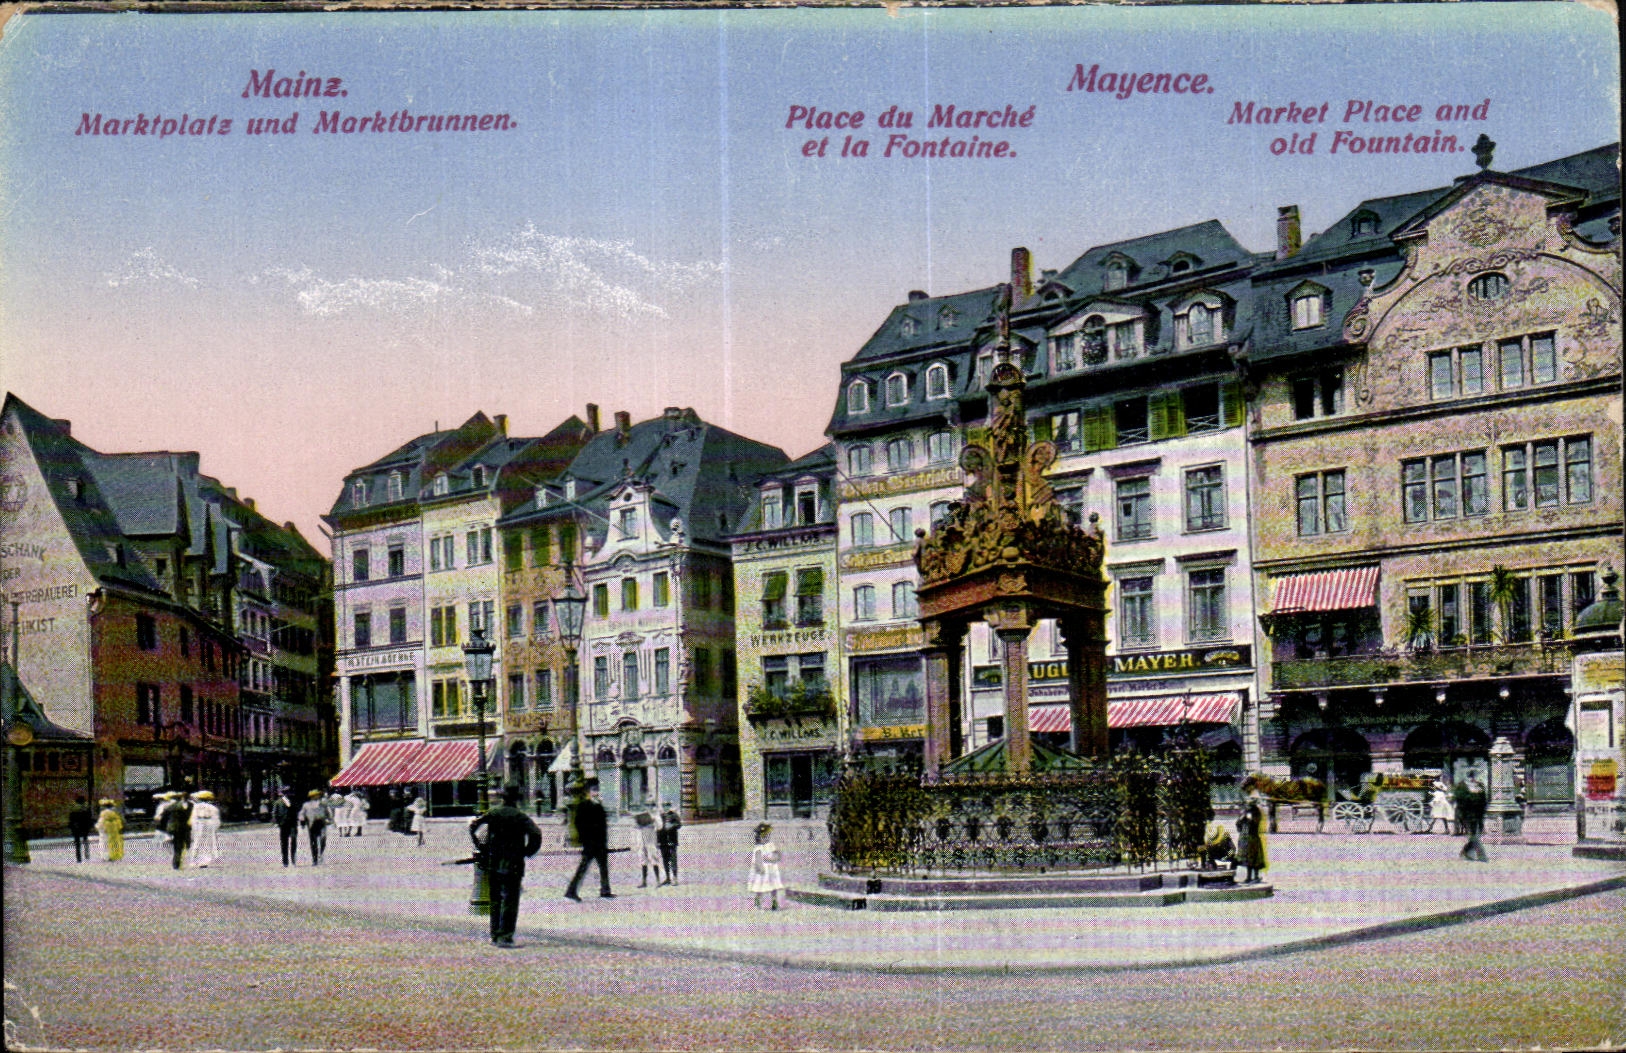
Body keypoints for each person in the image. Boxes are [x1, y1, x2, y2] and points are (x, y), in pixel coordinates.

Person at [469, 786, 544, 947]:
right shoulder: (520, 816)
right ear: (516, 799)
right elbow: (536, 834)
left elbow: (473, 826)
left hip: (494, 862)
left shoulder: (494, 813)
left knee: (495, 899)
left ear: (502, 797)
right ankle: (506, 936)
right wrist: (527, 851)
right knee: (510, 900)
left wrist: (482, 847)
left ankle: (495, 935)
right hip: (513, 863)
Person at [564, 778, 613, 901]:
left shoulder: (599, 805)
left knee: (604, 867)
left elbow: (603, 825)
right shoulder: (584, 805)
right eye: (594, 790)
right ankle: (571, 891)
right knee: (583, 867)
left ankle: (605, 890)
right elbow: (579, 824)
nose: (596, 792)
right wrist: (586, 840)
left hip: (601, 843)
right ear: (588, 792)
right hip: (590, 844)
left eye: (597, 790)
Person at [749, 822, 784, 910]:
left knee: (774, 886)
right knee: (761, 886)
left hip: (772, 869)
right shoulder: (758, 848)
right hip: (763, 870)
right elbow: (757, 860)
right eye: (764, 837)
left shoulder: (770, 845)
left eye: (768, 836)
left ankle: (775, 902)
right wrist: (760, 868)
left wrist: (777, 856)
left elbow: (778, 854)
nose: (766, 838)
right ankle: (758, 901)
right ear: (759, 837)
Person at [1456, 771, 1489, 862]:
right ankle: (1481, 855)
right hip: (1467, 814)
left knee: (1475, 834)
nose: (1472, 778)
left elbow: (1484, 800)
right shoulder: (1462, 786)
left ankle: (1464, 852)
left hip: (1478, 814)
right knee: (1473, 834)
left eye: (1473, 776)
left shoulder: (1480, 786)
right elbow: (1460, 801)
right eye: (1470, 776)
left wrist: (1483, 812)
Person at [1235, 794, 1267, 884]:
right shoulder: (1244, 813)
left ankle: (1256, 876)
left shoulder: (1256, 812)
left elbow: (1255, 823)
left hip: (1253, 838)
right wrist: (1241, 819)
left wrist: (1249, 819)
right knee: (1247, 859)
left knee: (1255, 858)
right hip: (1245, 839)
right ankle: (1248, 877)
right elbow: (1238, 826)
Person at [189, 790, 221, 867]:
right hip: (207, 823)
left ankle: (195, 860)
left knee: (198, 842)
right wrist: (215, 827)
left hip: (200, 823)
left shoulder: (196, 807)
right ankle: (204, 860)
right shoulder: (212, 807)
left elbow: (193, 817)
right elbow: (216, 818)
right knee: (206, 842)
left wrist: (193, 827)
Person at [299, 789, 331, 865]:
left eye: (318, 794)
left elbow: (328, 813)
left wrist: (329, 819)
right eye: (317, 794)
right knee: (313, 842)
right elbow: (301, 814)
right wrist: (302, 821)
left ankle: (321, 853)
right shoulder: (306, 805)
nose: (318, 796)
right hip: (312, 824)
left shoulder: (323, 804)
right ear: (312, 796)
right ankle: (315, 859)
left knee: (323, 838)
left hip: (321, 823)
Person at [634, 806, 664, 888]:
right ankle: (644, 881)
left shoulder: (655, 815)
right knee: (643, 859)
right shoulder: (640, 814)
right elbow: (635, 827)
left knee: (653, 857)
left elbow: (660, 826)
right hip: (641, 839)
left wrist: (653, 819)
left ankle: (658, 881)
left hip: (650, 839)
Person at [164, 791, 194, 870]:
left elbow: (166, 814)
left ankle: (178, 861)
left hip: (184, 828)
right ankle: (177, 862)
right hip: (178, 828)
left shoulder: (190, 805)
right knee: (178, 846)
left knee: (184, 845)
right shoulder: (190, 805)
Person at [272, 787, 300, 866]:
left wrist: (298, 819)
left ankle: (293, 859)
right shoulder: (278, 802)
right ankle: (285, 861)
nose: (287, 794)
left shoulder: (293, 801)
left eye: (288, 792)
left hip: (293, 824)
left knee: (294, 840)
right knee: (284, 843)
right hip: (283, 824)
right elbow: (274, 813)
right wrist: (276, 822)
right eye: (285, 792)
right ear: (282, 794)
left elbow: (296, 811)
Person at [656, 801, 682, 886]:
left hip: (672, 840)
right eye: (664, 806)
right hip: (663, 842)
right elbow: (657, 830)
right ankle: (667, 878)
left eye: (667, 806)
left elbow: (679, 824)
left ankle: (675, 878)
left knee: (673, 859)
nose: (665, 808)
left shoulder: (674, 815)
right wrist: (658, 842)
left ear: (670, 806)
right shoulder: (661, 816)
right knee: (665, 860)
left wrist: (672, 825)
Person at [68, 796, 95, 863]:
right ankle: (87, 854)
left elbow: (71, 819)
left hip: (76, 827)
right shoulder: (86, 808)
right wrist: (90, 826)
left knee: (77, 843)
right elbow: (90, 818)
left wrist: (72, 826)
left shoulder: (73, 808)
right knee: (85, 840)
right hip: (85, 827)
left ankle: (79, 858)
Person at [152, 791, 177, 859]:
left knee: (159, 839)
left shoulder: (162, 805)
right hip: (172, 822)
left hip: (163, 823)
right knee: (168, 837)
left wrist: (156, 821)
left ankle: (162, 853)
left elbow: (158, 816)